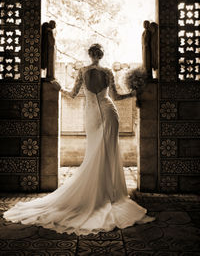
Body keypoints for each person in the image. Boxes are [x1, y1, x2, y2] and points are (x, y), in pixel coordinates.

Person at [3, 44, 155, 235]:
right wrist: (133, 94)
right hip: (109, 113)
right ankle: (110, 192)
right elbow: (115, 96)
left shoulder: (83, 71)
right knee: (108, 151)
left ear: (90, 55)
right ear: (101, 55)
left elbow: (73, 95)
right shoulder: (108, 71)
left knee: (94, 151)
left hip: (91, 114)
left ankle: (99, 191)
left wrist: (59, 88)